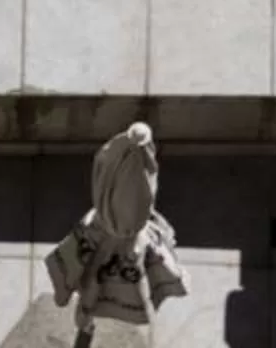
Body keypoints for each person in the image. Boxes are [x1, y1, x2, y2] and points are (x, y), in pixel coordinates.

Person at [43, 122, 189, 328]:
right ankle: (85, 316)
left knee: (88, 279)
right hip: (118, 240)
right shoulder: (137, 171)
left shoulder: (113, 150)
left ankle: (84, 317)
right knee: (96, 281)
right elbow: (131, 215)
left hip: (99, 227)